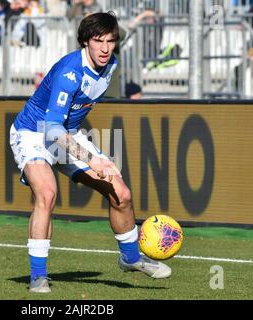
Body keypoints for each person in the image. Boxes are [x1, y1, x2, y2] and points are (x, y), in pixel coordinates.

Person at [9, 11, 171, 294]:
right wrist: (93, 158)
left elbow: (66, 128)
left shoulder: (111, 65)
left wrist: (88, 152)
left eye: (110, 41)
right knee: (46, 193)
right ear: (85, 42)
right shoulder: (69, 73)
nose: (106, 48)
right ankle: (38, 276)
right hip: (34, 132)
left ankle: (131, 259)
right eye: (98, 41)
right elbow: (51, 129)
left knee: (121, 193)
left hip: (67, 134)